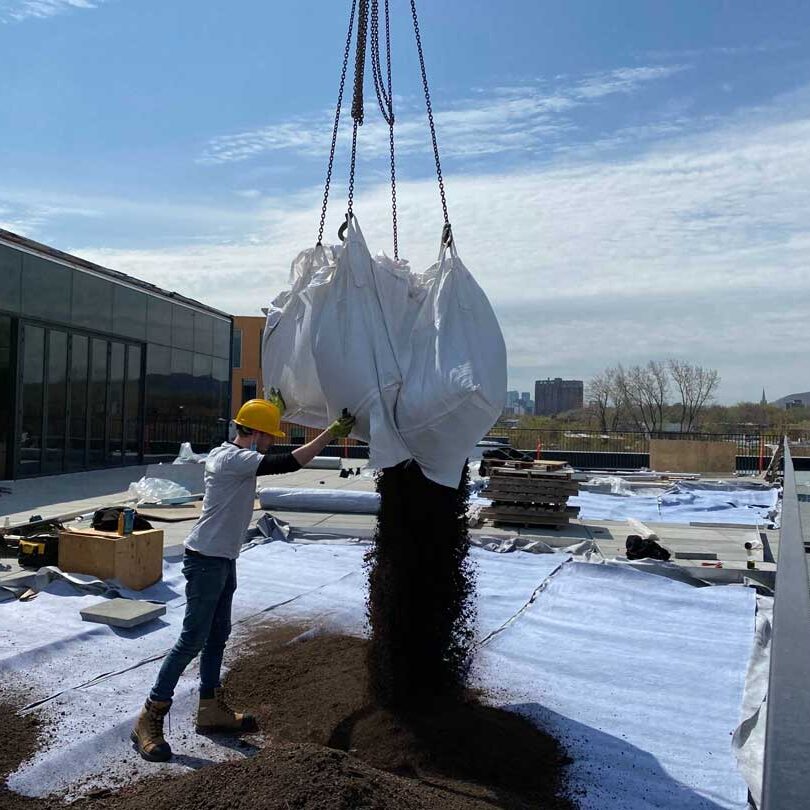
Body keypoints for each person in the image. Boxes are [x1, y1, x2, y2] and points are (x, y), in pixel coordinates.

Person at [131, 391, 355, 762]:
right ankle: (149, 717)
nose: (271, 442)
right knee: (192, 639)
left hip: (222, 559)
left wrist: (275, 411)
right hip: (204, 561)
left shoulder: (240, 454)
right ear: (255, 433)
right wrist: (331, 432)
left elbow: (268, 447)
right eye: (270, 434)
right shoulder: (231, 458)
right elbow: (290, 462)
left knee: (218, 635)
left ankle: (210, 708)